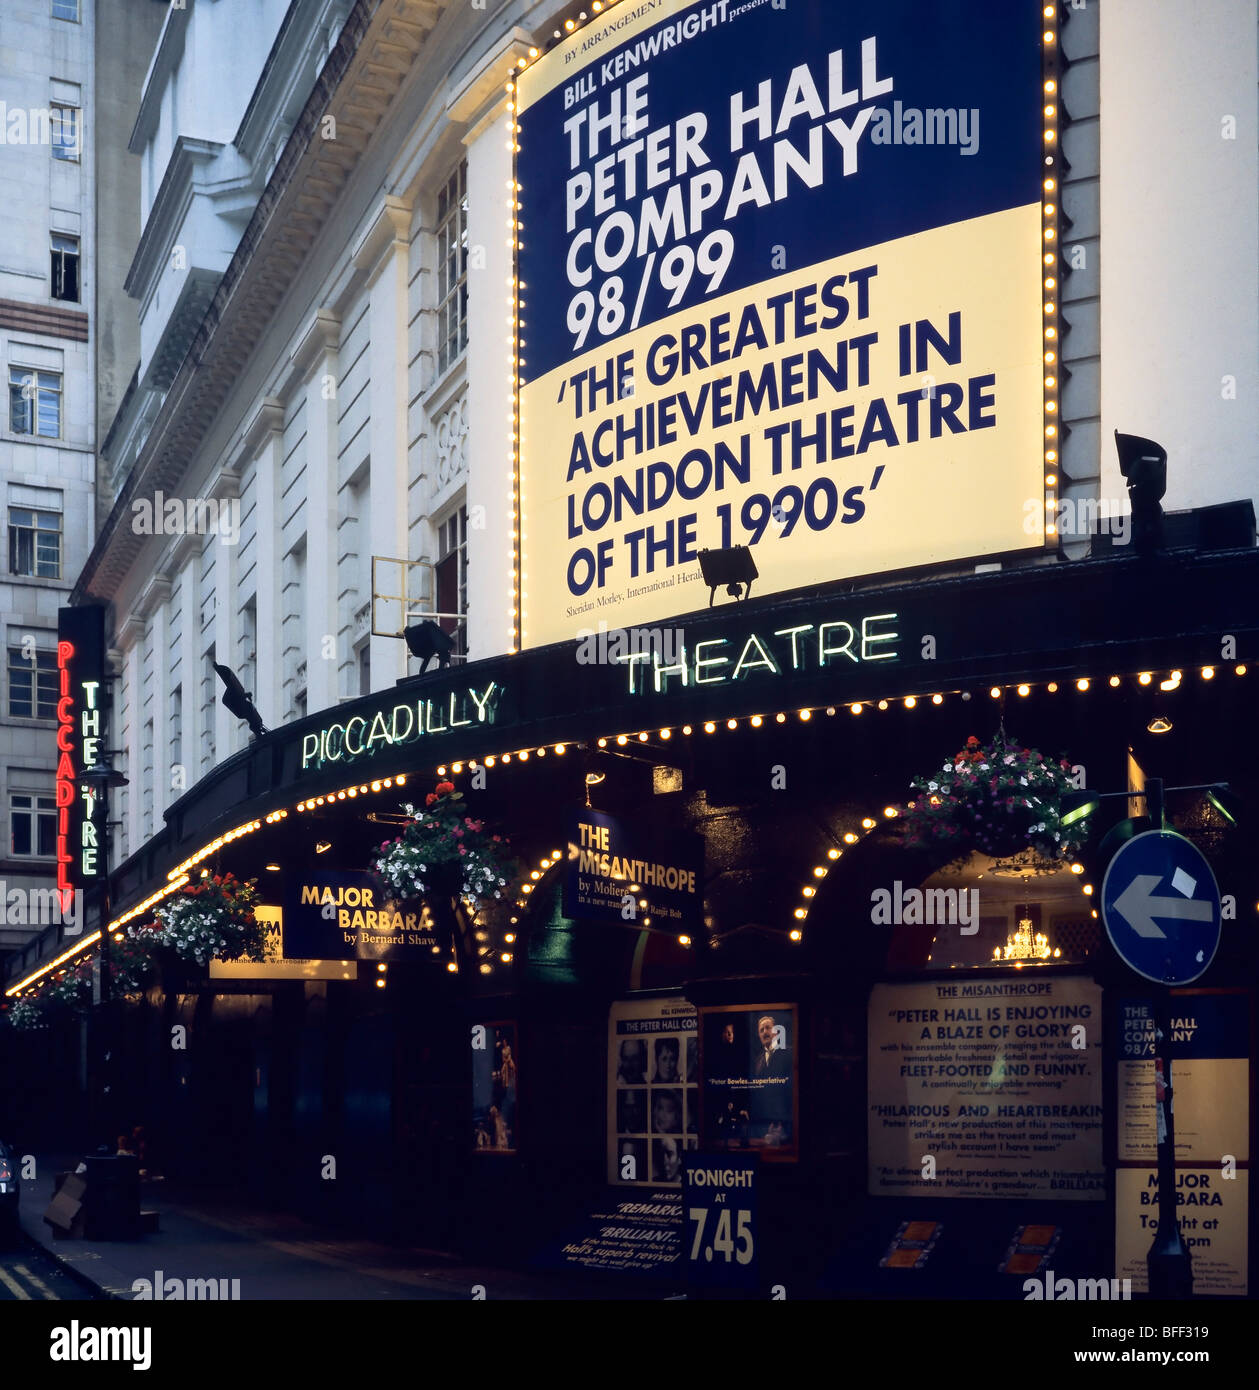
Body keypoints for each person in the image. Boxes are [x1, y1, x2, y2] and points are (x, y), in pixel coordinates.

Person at [752, 1014, 790, 1078]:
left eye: (768, 1027)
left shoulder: (789, 1053)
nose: (765, 1032)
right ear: (759, 1036)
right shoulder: (757, 1061)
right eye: (761, 1030)